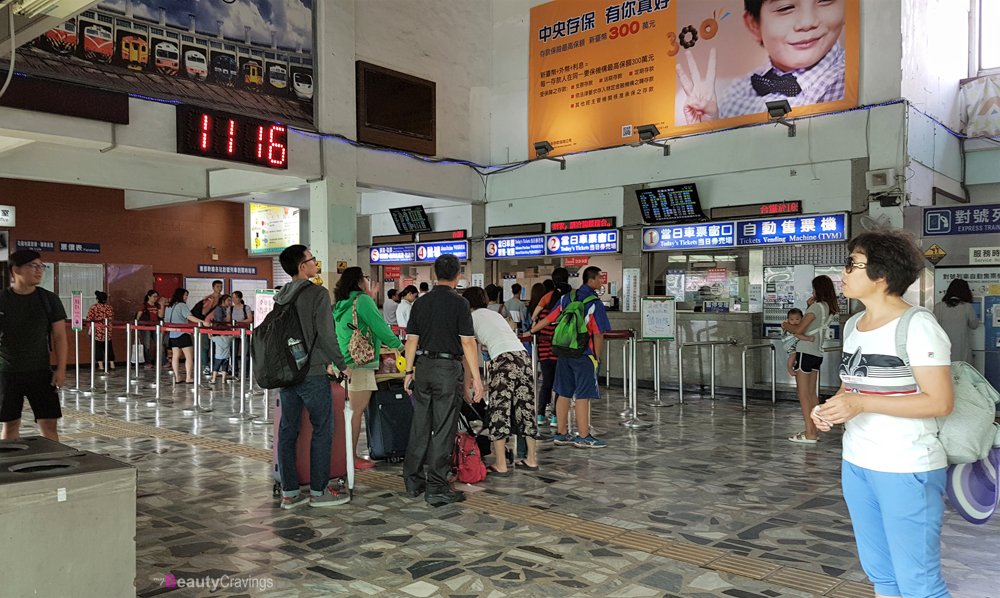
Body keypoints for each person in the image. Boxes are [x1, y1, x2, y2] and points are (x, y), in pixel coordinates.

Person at [813, 231, 953, 598]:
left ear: (882, 276)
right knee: (881, 573)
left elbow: (939, 402)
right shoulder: (853, 326)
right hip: (857, 461)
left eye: (853, 264)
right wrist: (833, 408)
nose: (843, 272)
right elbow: (854, 387)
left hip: (907, 466)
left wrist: (862, 404)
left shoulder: (918, 325)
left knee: (918, 581)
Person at [677, 0, 847, 122]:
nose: (808, 22)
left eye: (825, 1)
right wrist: (708, 127)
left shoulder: (853, 80)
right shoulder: (736, 93)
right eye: (786, 8)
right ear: (754, 25)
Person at [402, 254, 484, 506]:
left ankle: (414, 481)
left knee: (420, 425)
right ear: (458, 275)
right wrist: (477, 379)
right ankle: (437, 485)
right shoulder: (459, 304)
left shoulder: (421, 303)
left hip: (424, 367)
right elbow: (468, 342)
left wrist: (408, 372)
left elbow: (412, 340)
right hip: (447, 369)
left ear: (434, 274)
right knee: (444, 428)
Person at [274, 244, 351, 509]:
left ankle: (290, 492)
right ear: (301, 266)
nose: (315, 262)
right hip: (313, 371)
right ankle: (318, 492)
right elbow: (327, 335)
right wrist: (342, 364)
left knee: (288, 431)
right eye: (312, 259)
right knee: (323, 429)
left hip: (286, 374)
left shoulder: (281, 295)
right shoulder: (317, 293)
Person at [531, 266, 611, 448]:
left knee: (564, 392)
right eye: (599, 278)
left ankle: (561, 433)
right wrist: (597, 357)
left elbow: (550, 318)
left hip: (564, 352)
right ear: (590, 280)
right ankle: (583, 436)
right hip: (584, 354)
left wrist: (532, 330)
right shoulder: (594, 303)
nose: (601, 281)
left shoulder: (567, 298)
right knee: (583, 395)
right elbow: (598, 334)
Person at [332, 267, 404, 469]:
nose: (367, 280)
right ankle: (350, 457)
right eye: (365, 277)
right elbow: (379, 326)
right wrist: (400, 346)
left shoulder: (341, 304)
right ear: (358, 281)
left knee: (348, 412)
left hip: (344, 363)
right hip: (359, 365)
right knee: (356, 412)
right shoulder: (362, 301)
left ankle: (345, 454)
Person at [462, 287, 539, 474]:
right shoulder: (494, 314)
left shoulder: (470, 318)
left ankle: (501, 464)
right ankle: (531, 459)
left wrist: (469, 383)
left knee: (499, 410)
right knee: (525, 408)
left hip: (503, 359)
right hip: (523, 356)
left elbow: (467, 351)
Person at [0, 250, 67, 441]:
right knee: (10, 424)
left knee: (49, 424)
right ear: (16, 270)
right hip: (7, 372)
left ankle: (53, 465)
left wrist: (61, 369)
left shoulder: (48, 300)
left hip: (41, 372)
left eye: (41, 266)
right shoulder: (3, 300)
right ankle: (8, 467)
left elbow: (60, 337)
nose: (39, 271)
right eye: (33, 266)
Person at [781, 274, 838, 444]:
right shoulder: (829, 307)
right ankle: (812, 430)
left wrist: (785, 325)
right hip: (817, 354)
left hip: (805, 353)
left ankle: (810, 432)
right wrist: (808, 306)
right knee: (812, 394)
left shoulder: (816, 308)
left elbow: (799, 329)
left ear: (817, 289)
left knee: (803, 395)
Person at [530, 270, 571, 427]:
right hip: (562, 347)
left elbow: (534, 317)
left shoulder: (546, 299)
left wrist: (534, 326)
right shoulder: (570, 298)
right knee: (560, 383)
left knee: (547, 382)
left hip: (544, 348)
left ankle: (540, 415)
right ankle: (555, 417)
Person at [164, 288, 205, 384]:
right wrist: (203, 322)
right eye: (185, 295)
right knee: (189, 356)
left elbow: (166, 320)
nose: (186, 297)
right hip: (183, 334)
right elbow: (189, 316)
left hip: (172, 335)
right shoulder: (182, 305)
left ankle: (177, 377)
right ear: (180, 295)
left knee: (175, 356)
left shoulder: (169, 307)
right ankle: (189, 377)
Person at [933, 278, 979, 363]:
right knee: (961, 372)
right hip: (962, 349)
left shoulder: (938, 306)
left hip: (943, 348)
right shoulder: (967, 307)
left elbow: (933, 327)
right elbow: (974, 325)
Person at [86, 290, 116, 371]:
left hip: (97, 331)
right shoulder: (109, 308)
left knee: (98, 347)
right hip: (108, 330)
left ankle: (101, 366)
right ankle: (112, 365)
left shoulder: (94, 307)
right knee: (109, 347)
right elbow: (111, 318)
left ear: (97, 299)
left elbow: (88, 318)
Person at [782, 307, 815, 377]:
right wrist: (808, 338)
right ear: (788, 320)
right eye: (791, 319)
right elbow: (798, 335)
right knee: (793, 355)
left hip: (793, 344)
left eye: (797, 319)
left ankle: (793, 364)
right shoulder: (792, 328)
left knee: (796, 355)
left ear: (802, 319)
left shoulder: (795, 326)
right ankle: (789, 368)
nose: (794, 321)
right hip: (789, 345)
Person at [135, 289, 162, 369]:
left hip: (155, 327)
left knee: (159, 344)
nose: (155, 298)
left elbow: (160, 316)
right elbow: (138, 316)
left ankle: (161, 361)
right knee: (147, 345)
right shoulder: (144, 305)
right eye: (154, 296)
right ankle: (147, 362)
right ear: (149, 296)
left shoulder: (157, 305)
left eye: (157, 297)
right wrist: (137, 325)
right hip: (146, 327)